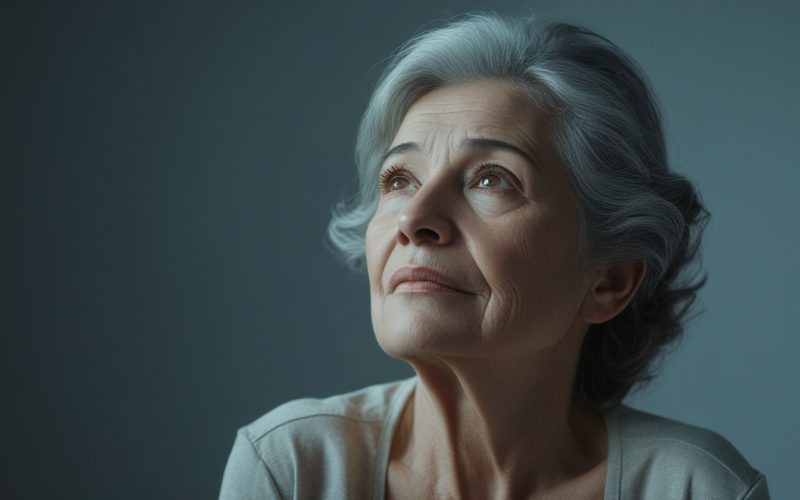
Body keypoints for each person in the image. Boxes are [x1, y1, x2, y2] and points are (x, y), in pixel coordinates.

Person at [219, 11, 769, 499]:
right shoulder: (291, 468)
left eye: (491, 179)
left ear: (610, 280)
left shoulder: (699, 487)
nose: (414, 220)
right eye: (399, 178)